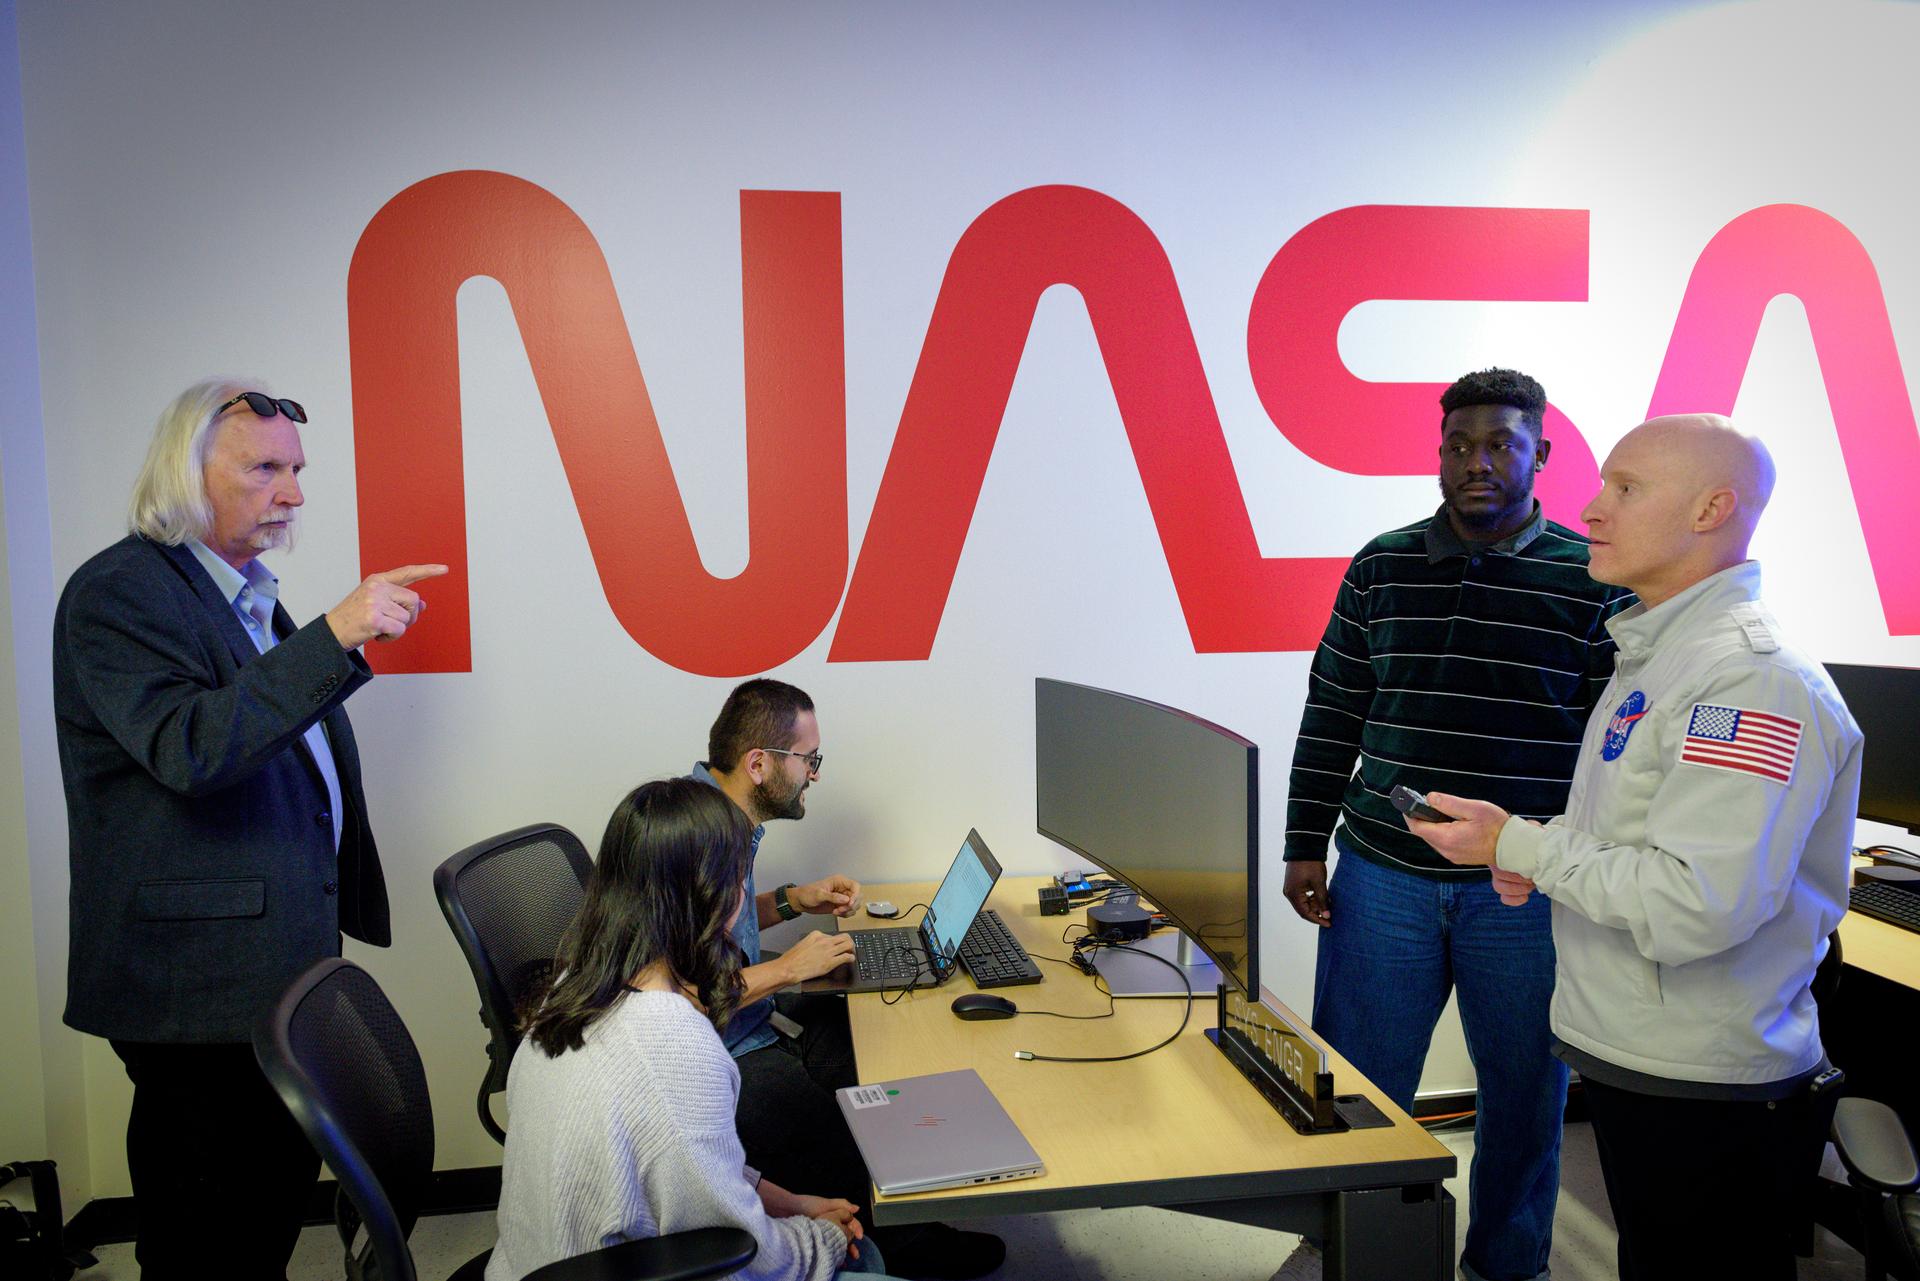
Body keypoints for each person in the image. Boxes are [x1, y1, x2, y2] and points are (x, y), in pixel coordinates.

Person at [1406, 414, 1861, 1281]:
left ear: (1711, 509)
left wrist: (1525, 846)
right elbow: (1638, 836)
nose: (1591, 508)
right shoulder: (1657, 653)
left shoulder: (1747, 679)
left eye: (1626, 488)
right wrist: (1529, 852)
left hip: (1704, 1078)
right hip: (1640, 1051)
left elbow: (1697, 902)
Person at [52, 378, 445, 1279]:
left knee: (262, 1212)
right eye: (265, 468)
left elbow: (274, 744)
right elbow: (189, 747)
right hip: (196, 990)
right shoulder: (119, 592)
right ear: (184, 474)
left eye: (297, 470)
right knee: (208, 1238)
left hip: (267, 969)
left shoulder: (238, 593)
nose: (293, 493)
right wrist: (335, 633)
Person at [1278, 369, 1632, 1281]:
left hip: (1522, 887)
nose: (1477, 461)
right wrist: (1302, 843)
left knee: (1524, 1092)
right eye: (1459, 445)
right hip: (1382, 876)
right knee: (1357, 1087)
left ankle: (1508, 1265)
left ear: (1540, 453)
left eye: (1500, 443)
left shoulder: (1592, 579)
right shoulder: (1383, 564)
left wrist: (1579, 861)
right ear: (1440, 454)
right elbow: (1332, 712)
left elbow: (1614, 750)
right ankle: (1351, 1252)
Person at [489, 778, 904, 1281]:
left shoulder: (571, 987)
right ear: (714, 898)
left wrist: (792, 1204)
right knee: (865, 1254)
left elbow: (691, 1163)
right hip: (621, 1270)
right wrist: (825, 1239)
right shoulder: (676, 1045)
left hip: (537, 1265)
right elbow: (751, 1256)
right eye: (739, 882)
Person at [692, 680, 1005, 1281]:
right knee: (836, 1125)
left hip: (748, 1020)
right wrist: (789, 968)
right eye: (808, 759)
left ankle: (912, 1201)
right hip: (720, 1053)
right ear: (758, 764)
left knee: (873, 1039)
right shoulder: (699, 840)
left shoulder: (719, 816)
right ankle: (903, 1242)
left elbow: (720, 925)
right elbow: (679, 1001)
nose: (814, 773)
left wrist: (794, 900)